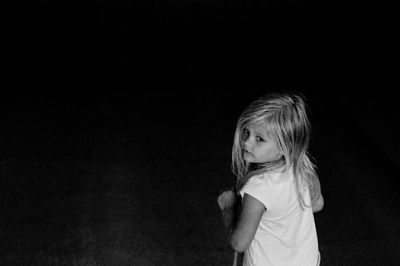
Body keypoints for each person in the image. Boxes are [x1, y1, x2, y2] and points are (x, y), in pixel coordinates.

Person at [217, 91, 324, 266]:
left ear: (285, 147)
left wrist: (228, 207)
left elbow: (239, 243)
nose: (246, 142)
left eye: (259, 139)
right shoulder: (301, 169)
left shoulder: (259, 188)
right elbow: (318, 204)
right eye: (246, 132)